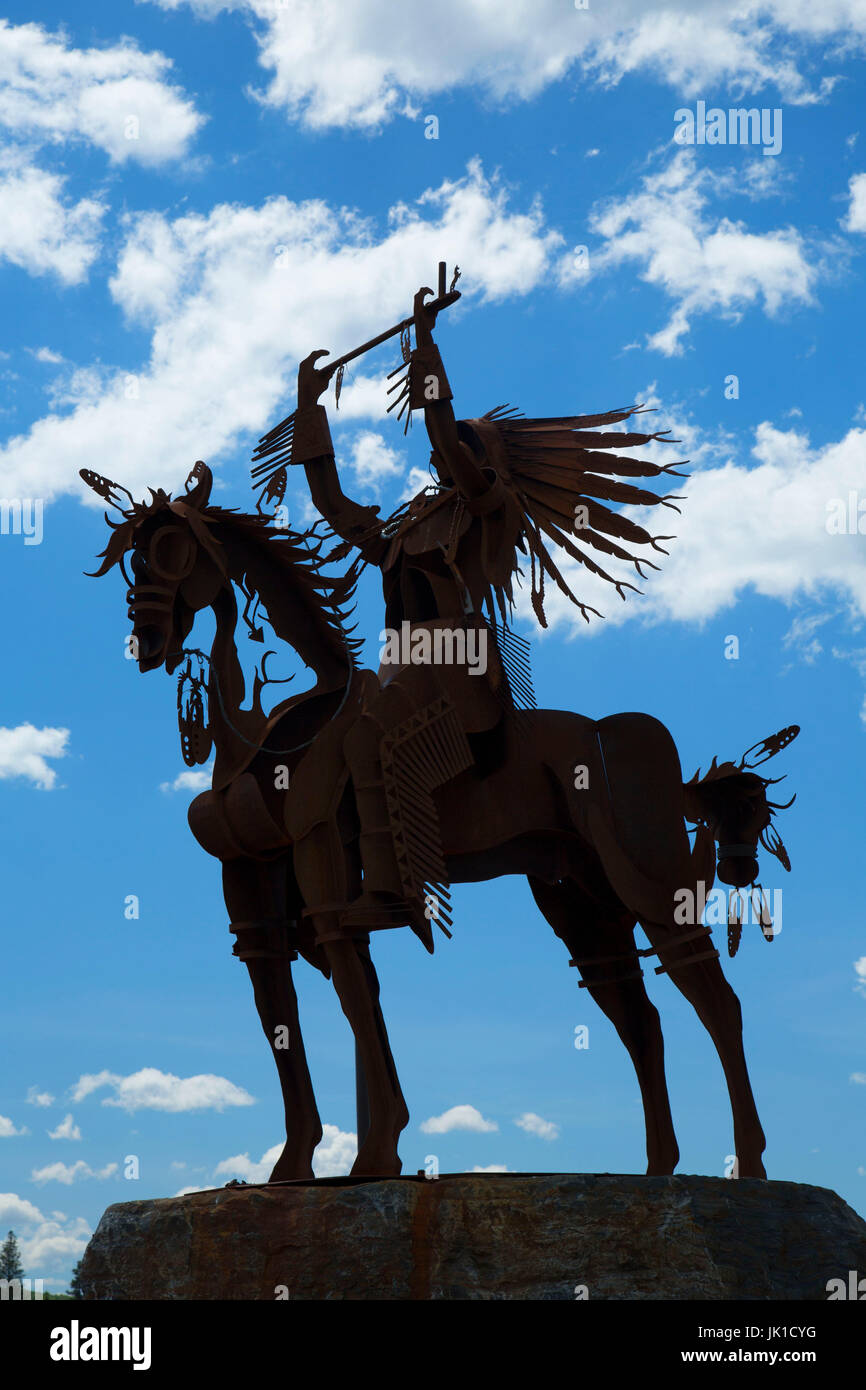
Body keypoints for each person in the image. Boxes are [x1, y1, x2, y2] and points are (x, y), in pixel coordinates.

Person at [256, 285, 687, 948]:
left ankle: (396, 891)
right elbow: (335, 505)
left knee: (371, 736)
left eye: (457, 449)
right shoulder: (406, 530)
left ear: (481, 460)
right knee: (341, 735)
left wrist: (426, 348)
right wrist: (308, 407)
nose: (441, 457)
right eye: (441, 452)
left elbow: (448, 442)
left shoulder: (489, 508)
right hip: (403, 668)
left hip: (457, 671)